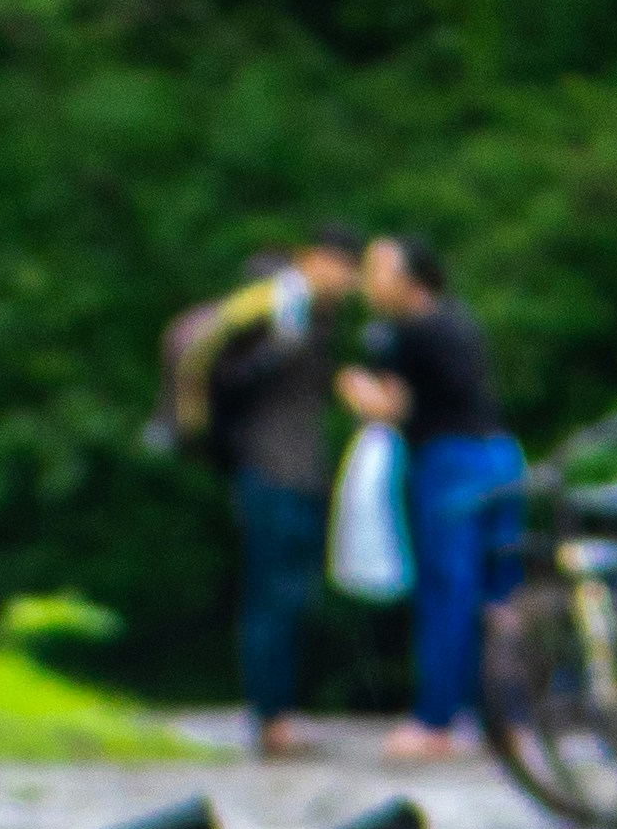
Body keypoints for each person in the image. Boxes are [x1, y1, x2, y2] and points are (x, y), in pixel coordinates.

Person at [338, 234, 527, 757]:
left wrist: (354, 391)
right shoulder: (459, 321)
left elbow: (390, 409)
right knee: (501, 597)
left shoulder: (404, 333)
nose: (366, 283)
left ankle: (436, 721)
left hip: (449, 463)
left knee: (448, 593)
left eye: (378, 270)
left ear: (410, 279)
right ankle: (508, 718)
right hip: (503, 456)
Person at [170, 233, 359, 752]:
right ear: (314, 261)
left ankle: (279, 713)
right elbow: (224, 382)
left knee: (292, 594)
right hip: (269, 469)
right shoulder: (269, 310)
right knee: (273, 594)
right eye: (344, 267)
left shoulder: (319, 316)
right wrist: (274, 358)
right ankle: (269, 718)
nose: (350, 281)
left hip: (300, 469)